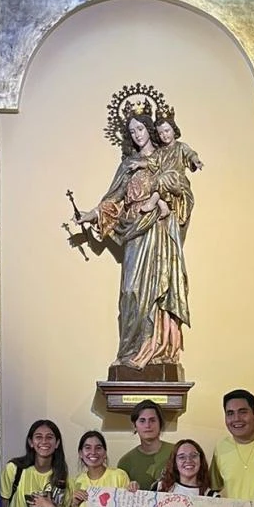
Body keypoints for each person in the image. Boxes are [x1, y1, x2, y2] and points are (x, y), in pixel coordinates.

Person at [75, 99, 191, 368]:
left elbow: (182, 189)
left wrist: (162, 200)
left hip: (159, 234)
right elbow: (112, 200)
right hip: (135, 233)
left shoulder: (165, 158)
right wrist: (89, 215)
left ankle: (156, 349)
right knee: (130, 292)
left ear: (150, 129)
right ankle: (129, 351)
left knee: (156, 293)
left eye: (140, 129)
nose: (137, 135)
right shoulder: (128, 164)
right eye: (132, 131)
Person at [210, 389, 254, 500]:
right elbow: (214, 488)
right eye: (230, 413)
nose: (236, 419)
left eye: (243, 412)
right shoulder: (221, 447)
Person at [70, 430, 131, 507]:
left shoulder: (119, 476)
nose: (93, 452)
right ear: (81, 453)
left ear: (105, 453)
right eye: (88, 448)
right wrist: (75, 505)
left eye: (98, 448)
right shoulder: (77, 482)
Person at [117, 399, 173, 490]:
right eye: (142, 421)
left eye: (152, 420)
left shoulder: (176, 452)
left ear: (160, 424)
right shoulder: (125, 462)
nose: (147, 425)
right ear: (135, 426)